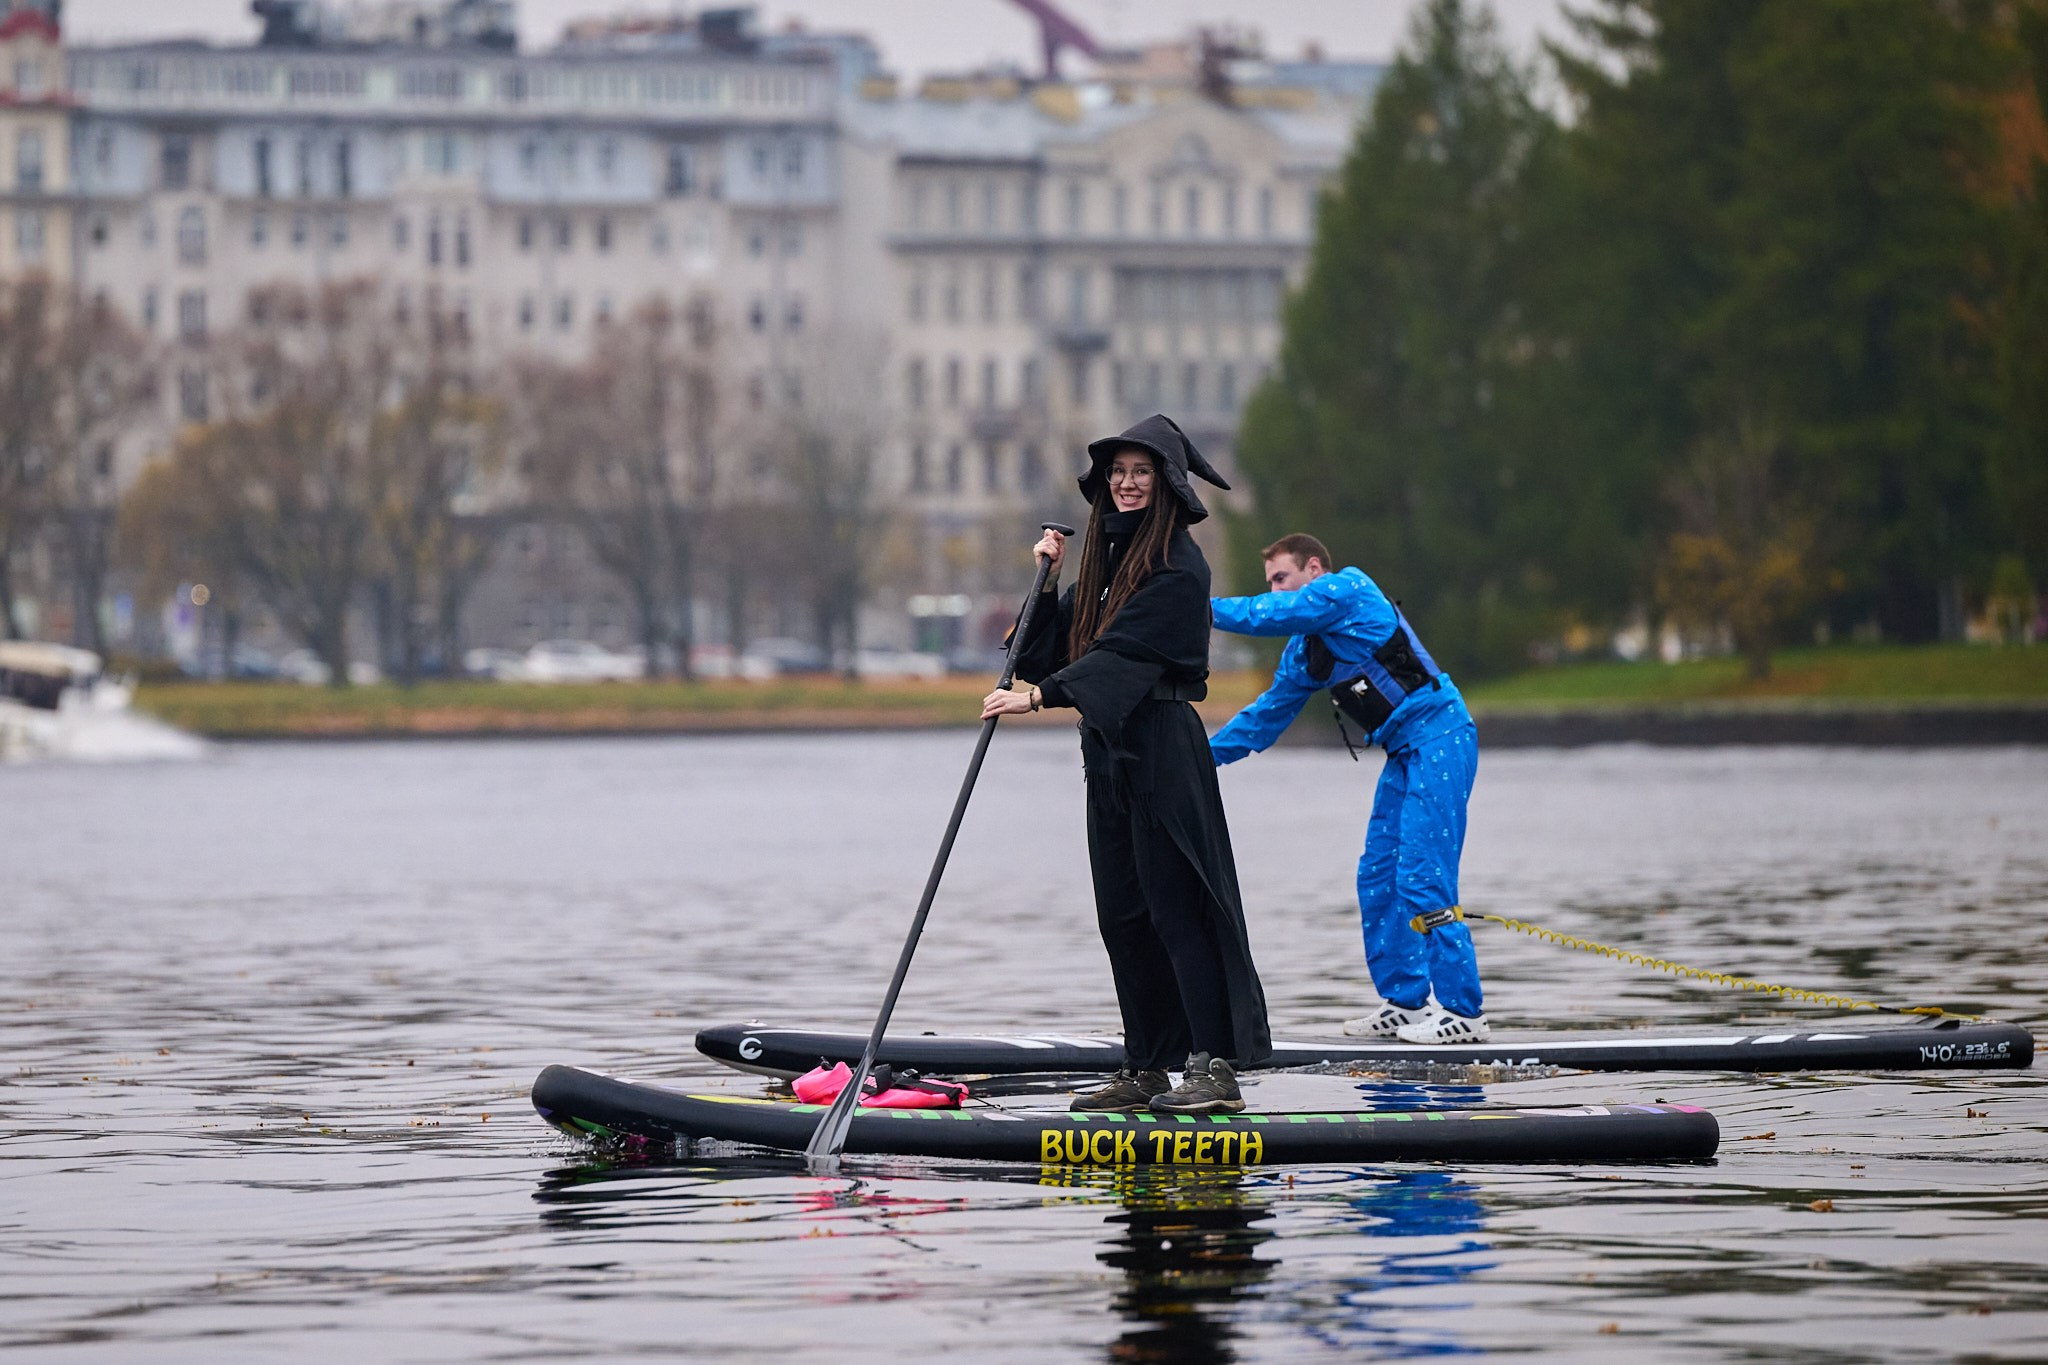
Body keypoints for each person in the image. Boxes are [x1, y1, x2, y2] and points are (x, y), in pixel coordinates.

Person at [987, 414, 1271, 1114]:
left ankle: (1213, 1068)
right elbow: (1044, 646)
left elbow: (1129, 659)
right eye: (1117, 473)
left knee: (1178, 911)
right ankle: (1146, 1065)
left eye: (1141, 472)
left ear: (1167, 482)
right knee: (1123, 912)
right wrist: (1042, 578)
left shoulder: (1180, 567)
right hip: (1110, 756)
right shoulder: (1105, 570)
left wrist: (1040, 697)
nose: (1126, 483)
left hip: (1165, 749)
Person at [1207, 534, 1488, 1044]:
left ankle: (1464, 1014)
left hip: (1444, 737)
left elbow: (1261, 616)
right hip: (1405, 753)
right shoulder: (1303, 654)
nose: (1273, 592)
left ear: (1313, 570)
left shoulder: (1347, 589)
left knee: (1422, 875)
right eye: (1268, 583)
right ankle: (1405, 1002)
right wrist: (1198, 761)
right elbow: (1262, 721)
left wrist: (1189, 603)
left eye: (1280, 579)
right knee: (1377, 875)